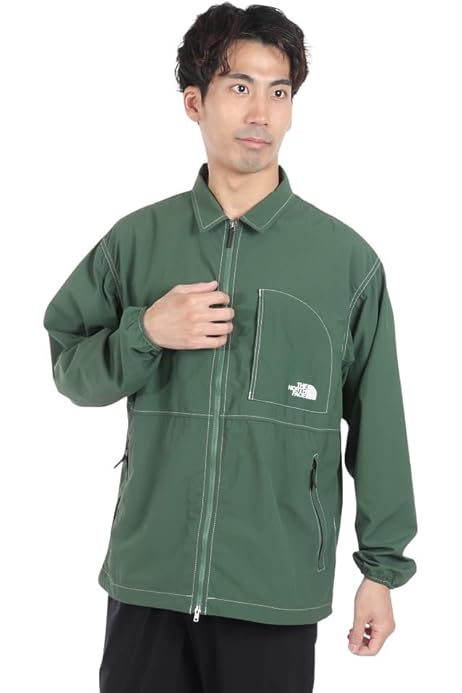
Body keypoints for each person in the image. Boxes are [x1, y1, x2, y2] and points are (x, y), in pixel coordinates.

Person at [42, 3, 418, 691]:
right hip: (148, 582)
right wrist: (146, 332)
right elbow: (71, 367)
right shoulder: (137, 241)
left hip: (274, 590)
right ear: (195, 102)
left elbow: (381, 425)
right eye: (240, 86)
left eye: (279, 92)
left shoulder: (345, 262)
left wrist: (380, 571)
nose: (261, 113)